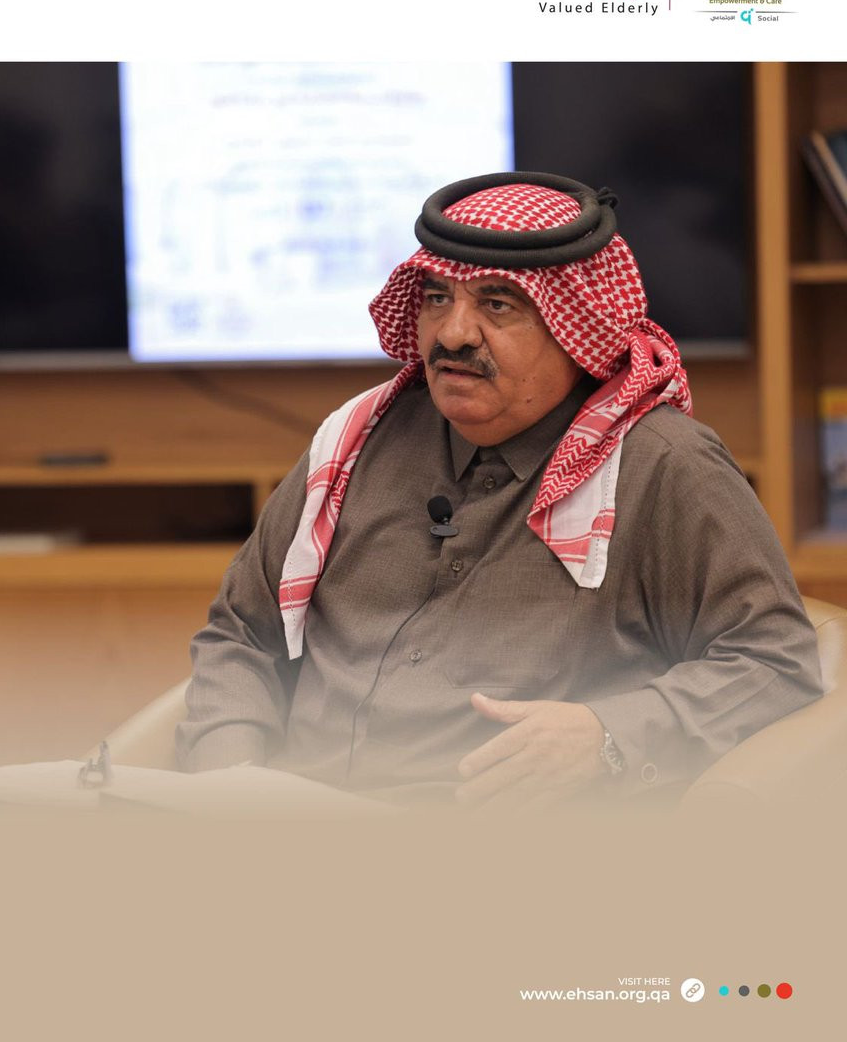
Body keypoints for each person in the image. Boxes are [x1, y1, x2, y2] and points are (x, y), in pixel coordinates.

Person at [176, 172, 823, 806]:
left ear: (577, 327)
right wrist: (226, 785)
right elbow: (243, 634)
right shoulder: (357, 440)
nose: (452, 334)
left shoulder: (664, 466)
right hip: (284, 824)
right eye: (437, 298)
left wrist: (610, 736)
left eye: (497, 304)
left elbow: (774, 662)